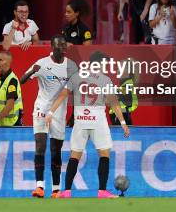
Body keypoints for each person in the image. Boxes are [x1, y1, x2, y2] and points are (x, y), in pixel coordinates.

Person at [45, 51, 130, 198]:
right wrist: (123, 123)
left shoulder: (76, 77)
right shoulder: (104, 79)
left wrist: (50, 113)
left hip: (81, 119)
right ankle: (102, 191)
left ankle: (66, 191)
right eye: (104, 63)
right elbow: (114, 103)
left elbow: (62, 95)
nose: (105, 65)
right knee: (104, 154)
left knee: (75, 156)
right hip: (98, 119)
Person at [20, 35, 77, 198]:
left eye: (64, 45)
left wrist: (73, 114)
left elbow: (75, 92)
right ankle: (39, 187)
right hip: (42, 108)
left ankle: (56, 189)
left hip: (59, 111)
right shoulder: (43, 63)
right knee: (40, 145)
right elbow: (22, 80)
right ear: (53, 47)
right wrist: (32, 71)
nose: (63, 48)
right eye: (60, 46)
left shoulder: (71, 66)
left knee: (55, 150)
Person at [0, 50, 24, 127]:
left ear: (8, 63)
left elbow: (9, 106)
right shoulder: (1, 78)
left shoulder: (12, 81)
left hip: (11, 126)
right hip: (3, 126)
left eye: (0, 60)